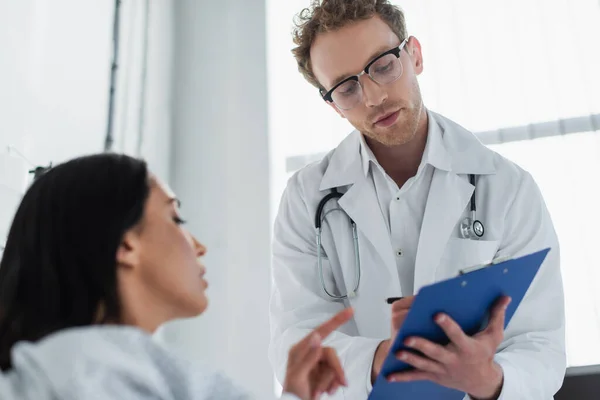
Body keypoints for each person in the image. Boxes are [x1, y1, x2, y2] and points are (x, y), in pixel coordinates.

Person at [268, 1, 566, 399]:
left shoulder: (508, 188)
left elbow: (541, 344)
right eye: (347, 88)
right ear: (333, 105)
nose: (373, 97)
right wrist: (380, 358)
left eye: (383, 65)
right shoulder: (307, 200)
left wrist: (487, 380)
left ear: (415, 55)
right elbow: (296, 341)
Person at [0, 153, 352, 400]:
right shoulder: (89, 366)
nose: (199, 246)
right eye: (176, 219)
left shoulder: (96, 368)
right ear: (127, 244)